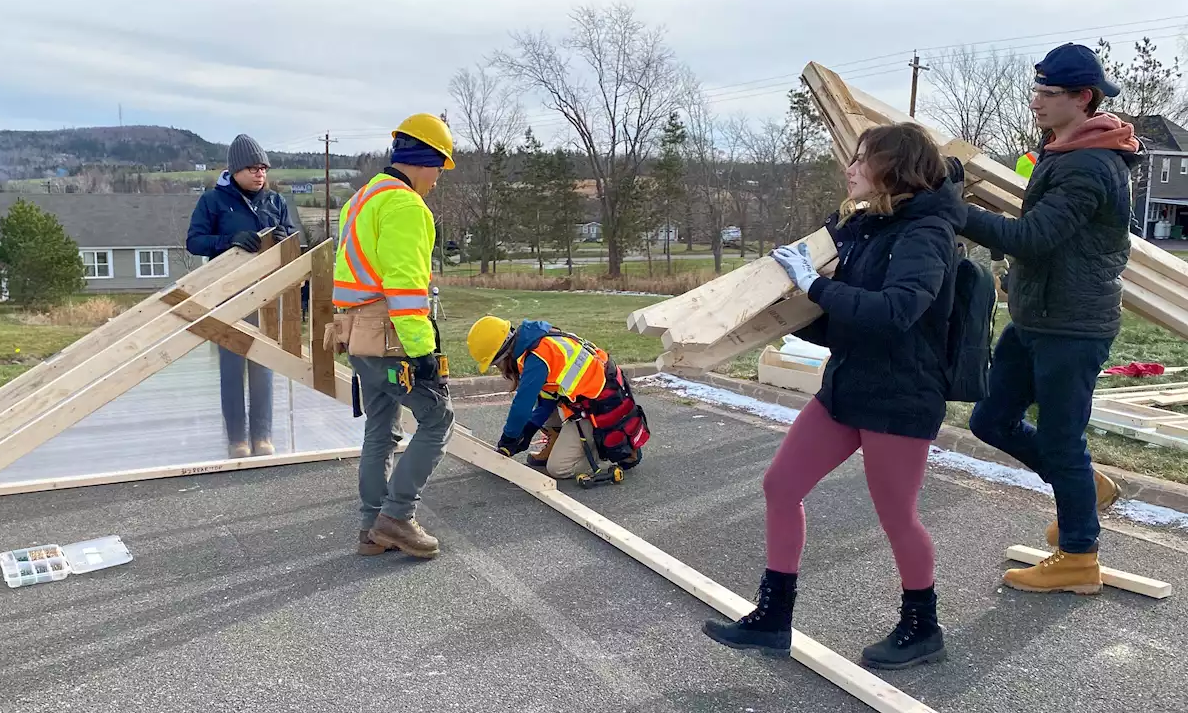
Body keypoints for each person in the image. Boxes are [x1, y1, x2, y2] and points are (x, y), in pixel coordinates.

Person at [702, 122, 966, 670]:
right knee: (781, 485)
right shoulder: (867, 226)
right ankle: (774, 619)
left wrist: (816, 287)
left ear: (891, 169)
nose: (849, 168)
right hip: (848, 385)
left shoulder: (927, 233)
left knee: (896, 516)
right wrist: (784, 313)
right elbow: (845, 321)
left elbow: (895, 314)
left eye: (861, 158)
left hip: (900, 395)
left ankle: (923, 627)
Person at [961, 43, 1142, 594]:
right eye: (1035, 89)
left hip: (1073, 325)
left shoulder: (1090, 164)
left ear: (1082, 98)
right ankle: (1086, 488)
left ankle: (1079, 559)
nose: (1035, 100)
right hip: (1037, 316)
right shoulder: (1064, 152)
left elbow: (1034, 239)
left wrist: (955, 213)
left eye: (1048, 92)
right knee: (991, 420)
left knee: (1062, 440)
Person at [327, 113, 457, 560]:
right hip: (390, 338)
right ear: (424, 160)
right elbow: (404, 286)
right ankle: (397, 518)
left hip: (356, 336)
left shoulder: (360, 201)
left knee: (380, 429)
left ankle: (371, 528)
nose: (438, 178)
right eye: (440, 166)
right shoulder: (405, 207)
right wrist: (423, 353)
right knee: (438, 419)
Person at [186, 134, 296, 459]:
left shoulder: (276, 202)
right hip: (227, 297)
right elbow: (195, 242)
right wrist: (229, 240)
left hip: (267, 296)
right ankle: (237, 439)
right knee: (232, 370)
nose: (259, 173)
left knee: (263, 367)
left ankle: (263, 435)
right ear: (234, 170)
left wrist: (283, 238)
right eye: (252, 168)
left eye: (263, 167)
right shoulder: (213, 201)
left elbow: (293, 237)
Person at [465, 316, 649, 481]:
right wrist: (527, 432)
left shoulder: (538, 358)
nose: (498, 369)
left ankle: (605, 453)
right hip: (584, 403)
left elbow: (521, 406)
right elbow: (546, 400)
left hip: (599, 411)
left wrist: (508, 439)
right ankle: (558, 442)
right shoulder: (536, 340)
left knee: (558, 469)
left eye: (496, 363)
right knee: (538, 410)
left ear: (504, 354)